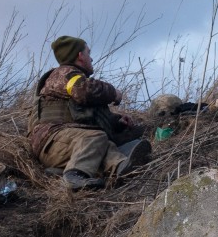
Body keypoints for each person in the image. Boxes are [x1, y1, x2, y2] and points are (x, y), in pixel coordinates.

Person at [29, 35, 151, 191]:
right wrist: (113, 93)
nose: (91, 58)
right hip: (51, 142)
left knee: (104, 143)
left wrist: (117, 121)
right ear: (80, 56)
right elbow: (83, 91)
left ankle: (121, 167)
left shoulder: (71, 79)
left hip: (68, 143)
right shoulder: (64, 74)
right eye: (88, 53)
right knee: (96, 137)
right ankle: (74, 176)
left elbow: (85, 117)